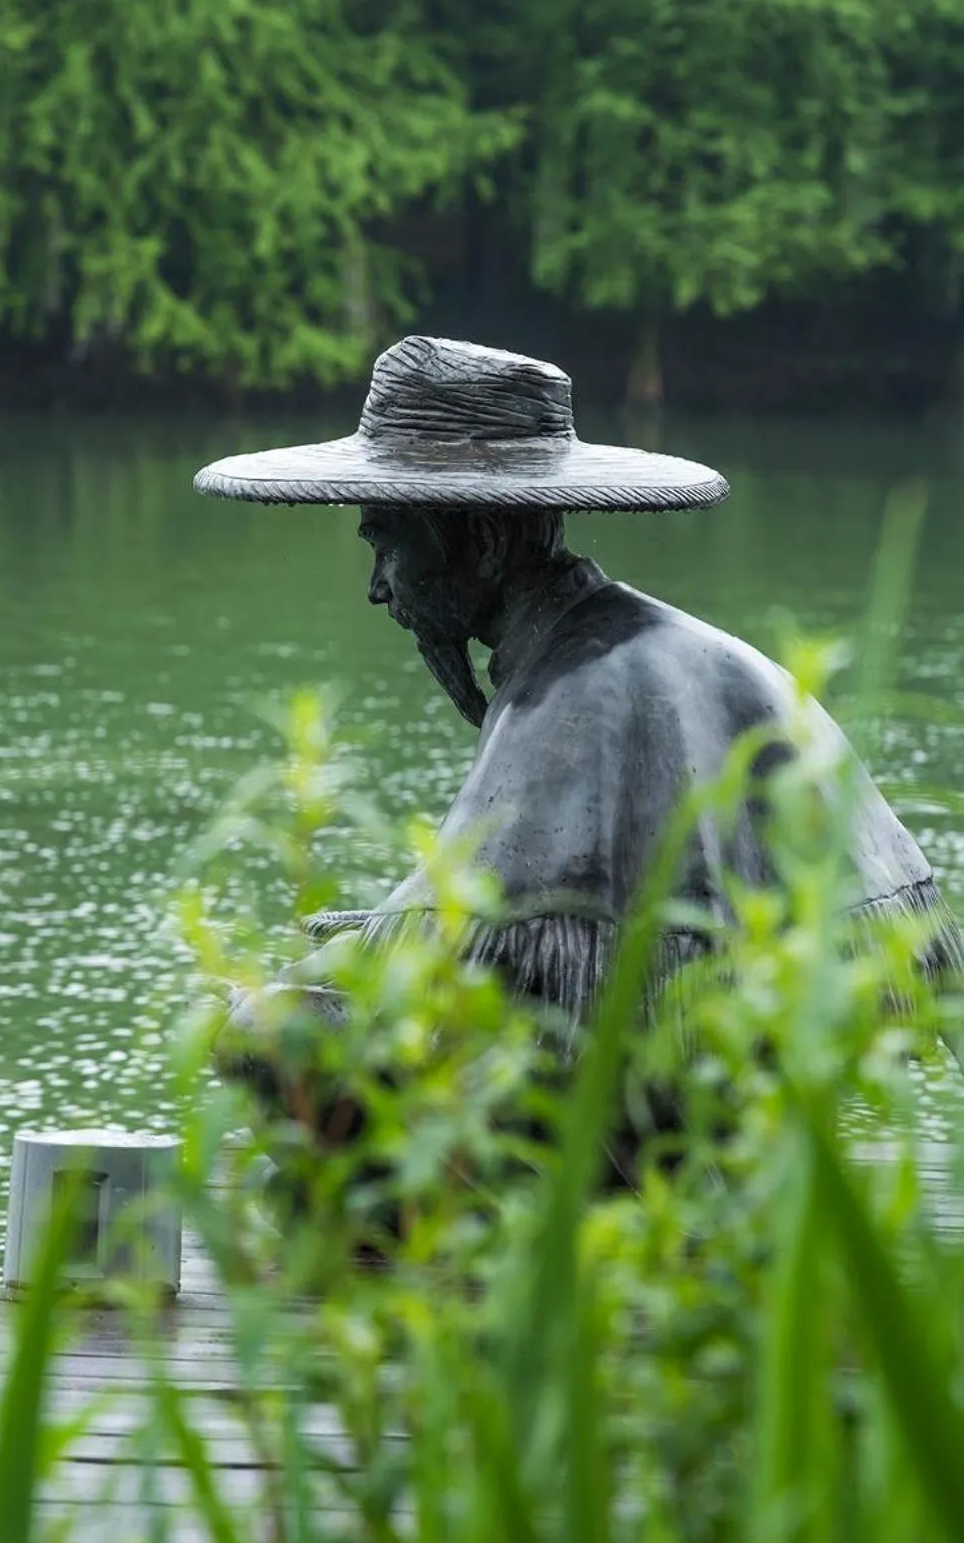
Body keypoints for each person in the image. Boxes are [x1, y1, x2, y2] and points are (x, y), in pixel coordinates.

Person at [195, 334, 963, 1052]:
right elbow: (524, 896)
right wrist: (371, 933)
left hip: (674, 1052)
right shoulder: (632, 642)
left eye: (387, 542)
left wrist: (308, 987)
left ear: (487, 542)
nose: (375, 588)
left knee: (254, 1038)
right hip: (726, 1024)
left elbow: (502, 940)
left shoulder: (572, 692)